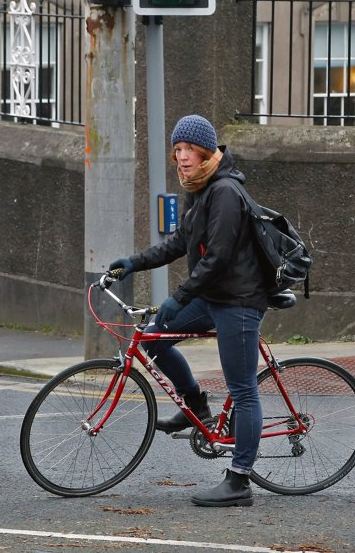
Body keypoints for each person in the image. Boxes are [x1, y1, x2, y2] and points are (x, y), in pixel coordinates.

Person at [109, 114, 269, 508]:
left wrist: (180, 295)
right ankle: (195, 405)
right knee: (153, 338)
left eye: (189, 150)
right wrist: (134, 262)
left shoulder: (226, 192)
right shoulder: (198, 189)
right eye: (177, 150)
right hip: (214, 294)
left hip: (239, 300)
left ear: (206, 151)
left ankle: (240, 480)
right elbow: (180, 241)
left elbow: (218, 257)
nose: (181, 157)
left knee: (244, 388)